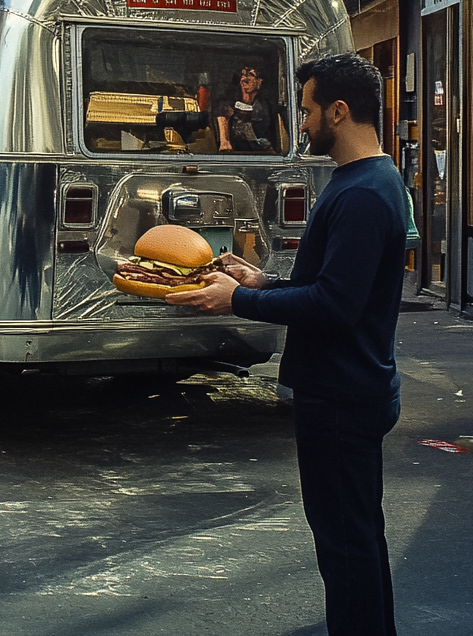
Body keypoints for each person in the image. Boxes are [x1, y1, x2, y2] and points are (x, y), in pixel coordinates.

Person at [167, 53, 406, 636]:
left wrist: (236, 301)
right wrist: (260, 281)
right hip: (350, 391)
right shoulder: (367, 182)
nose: (301, 124)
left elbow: (334, 307)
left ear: (339, 111)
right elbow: (328, 287)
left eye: (307, 111)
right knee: (355, 541)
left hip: (341, 399)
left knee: (346, 550)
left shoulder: (362, 194)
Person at [215, 65, 274, 152]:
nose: (245, 79)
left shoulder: (264, 106)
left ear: (260, 82)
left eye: (251, 75)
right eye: (243, 74)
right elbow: (223, 116)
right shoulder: (227, 103)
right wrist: (225, 142)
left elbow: (265, 136)